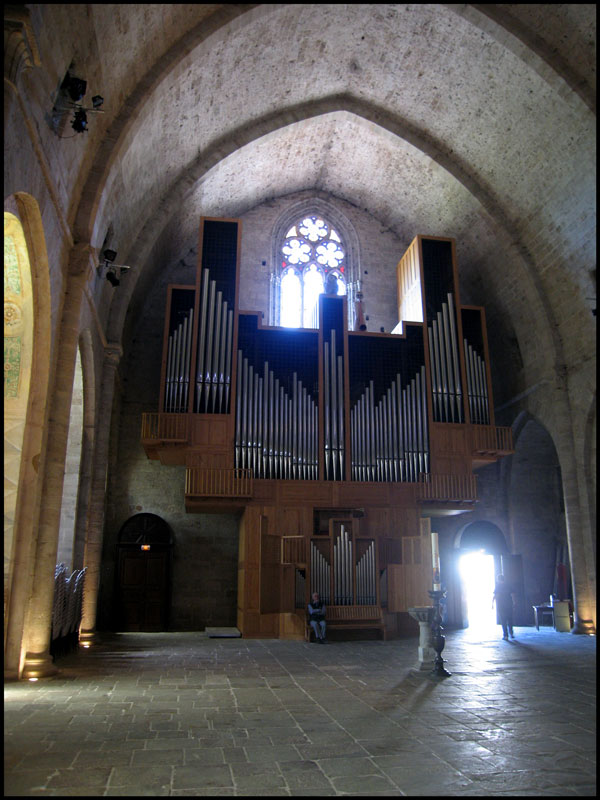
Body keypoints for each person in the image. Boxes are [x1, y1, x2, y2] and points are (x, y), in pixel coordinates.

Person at [493, 574, 515, 640]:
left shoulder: (498, 586)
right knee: (510, 619)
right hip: (509, 604)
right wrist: (514, 602)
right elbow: (513, 595)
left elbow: (495, 595)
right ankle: (511, 633)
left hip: (501, 605)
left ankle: (505, 635)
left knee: (503, 620)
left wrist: (493, 604)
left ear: (498, 580)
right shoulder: (509, 585)